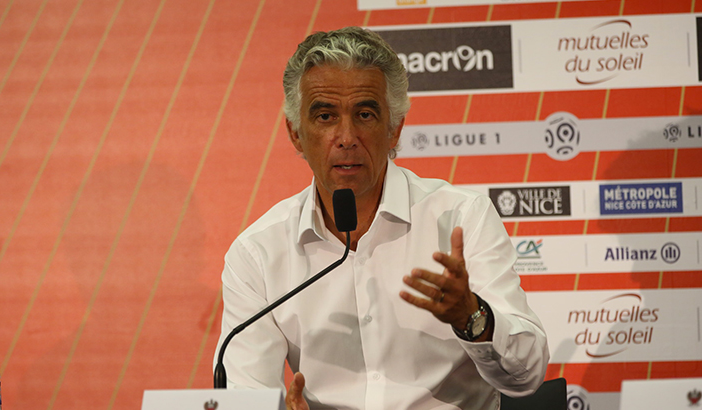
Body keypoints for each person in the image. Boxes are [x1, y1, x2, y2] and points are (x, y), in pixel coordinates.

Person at [215, 26, 549, 410]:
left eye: (365, 114)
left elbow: (527, 376)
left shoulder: (461, 218)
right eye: (325, 116)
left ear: (394, 130)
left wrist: (471, 316)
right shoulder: (258, 253)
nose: (346, 137)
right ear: (295, 134)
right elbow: (245, 394)